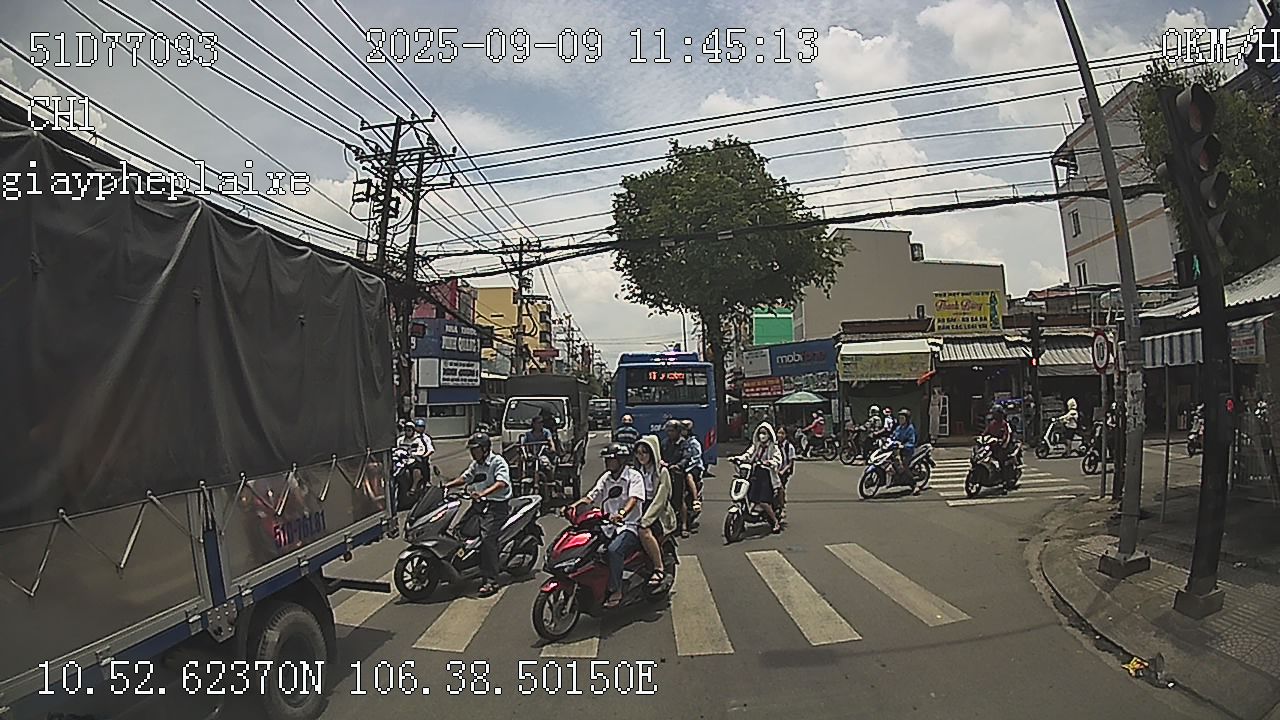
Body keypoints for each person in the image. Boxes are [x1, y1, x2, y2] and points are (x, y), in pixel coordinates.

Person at [565, 443, 646, 608]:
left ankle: (616, 590)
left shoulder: (634, 476)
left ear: (621, 460)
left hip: (629, 525)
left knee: (614, 550)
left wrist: (621, 514)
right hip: (607, 525)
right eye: (607, 459)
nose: (608, 462)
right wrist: (573, 506)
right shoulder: (606, 478)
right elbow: (591, 497)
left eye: (611, 459)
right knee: (587, 546)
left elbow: (634, 499)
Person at [443, 433, 512, 598]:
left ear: (485, 449)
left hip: (497, 506)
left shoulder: (497, 462)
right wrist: (447, 486)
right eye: (472, 450)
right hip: (480, 505)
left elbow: (502, 483)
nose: (473, 453)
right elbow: (466, 478)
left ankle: (491, 580)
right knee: (459, 530)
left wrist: (483, 493)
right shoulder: (476, 465)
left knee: (487, 539)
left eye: (475, 450)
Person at [633, 434, 676, 586]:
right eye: (638, 452)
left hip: (658, 514)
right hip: (639, 508)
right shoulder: (636, 472)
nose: (641, 456)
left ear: (652, 452)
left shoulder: (662, 472)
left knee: (643, 531)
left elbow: (660, 500)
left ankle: (658, 568)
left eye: (644, 452)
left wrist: (646, 520)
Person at [734, 423, 784, 533]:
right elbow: (748, 454)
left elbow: (778, 460)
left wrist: (770, 462)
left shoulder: (773, 447)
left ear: (769, 435)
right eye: (760, 433)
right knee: (747, 496)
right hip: (754, 473)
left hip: (767, 476)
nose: (762, 435)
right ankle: (741, 522)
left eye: (764, 433)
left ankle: (775, 522)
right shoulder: (756, 445)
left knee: (763, 501)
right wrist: (738, 458)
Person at [662, 420, 701, 537]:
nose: (669, 433)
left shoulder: (685, 443)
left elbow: (686, 457)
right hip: (666, 473)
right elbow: (660, 454)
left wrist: (678, 465)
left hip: (679, 473)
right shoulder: (665, 443)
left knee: (680, 499)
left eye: (672, 431)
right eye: (668, 431)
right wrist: (661, 462)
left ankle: (684, 526)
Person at [890, 409, 920, 494]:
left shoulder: (910, 429)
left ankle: (914, 485)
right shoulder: (898, 428)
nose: (901, 420)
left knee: (904, 466)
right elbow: (893, 436)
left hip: (907, 451)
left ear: (907, 419)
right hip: (897, 450)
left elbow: (912, 441)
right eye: (900, 418)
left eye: (902, 418)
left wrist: (904, 446)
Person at [778, 423, 797, 516]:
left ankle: (782, 508)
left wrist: (783, 471)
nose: (780, 435)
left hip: (784, 471)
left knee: (780, 488)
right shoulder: (774, 445)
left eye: (782, 433)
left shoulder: (789, 447)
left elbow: (790, 463)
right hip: (774, 470)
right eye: (778, 433)